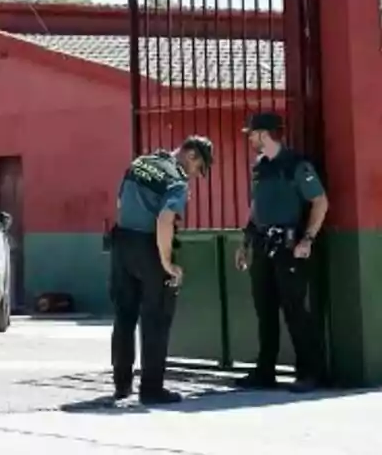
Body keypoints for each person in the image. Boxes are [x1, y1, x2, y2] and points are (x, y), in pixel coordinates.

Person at [109, 136, 213, 404]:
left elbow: (120, 202)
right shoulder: (176, 180)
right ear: (190, 155)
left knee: (124, 316)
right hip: (149, 246)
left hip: (121, 242)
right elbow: (165, 220)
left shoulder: (140, 162)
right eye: (199, 166)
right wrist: (167, 262)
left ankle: (121, 384)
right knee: (155, 319)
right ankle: (152, 388)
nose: (196, 174)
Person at [234, 112, 329, 393]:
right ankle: (265, 371)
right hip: (263, 244)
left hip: (289, 247)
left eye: (252, 133)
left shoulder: (297, 165)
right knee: (265, 310)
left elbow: (320, 202)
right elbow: (256, 207)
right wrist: (245, 242)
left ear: (264, 134)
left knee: (295, 310)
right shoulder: (261, 166)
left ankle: (310, 372)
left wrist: (308, 239)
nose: (250, 138)